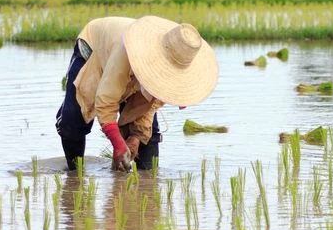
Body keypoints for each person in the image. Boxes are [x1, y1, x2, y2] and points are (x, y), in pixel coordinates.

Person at [55, 16, 219, 172]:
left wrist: (136, 138)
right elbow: (106, 101)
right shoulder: (125, 52)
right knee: (73, 121)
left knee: (147, 149)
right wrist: (118, 143)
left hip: (133, 66)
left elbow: (149, 103)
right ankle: (75, 176)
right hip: (96, 50)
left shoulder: (174, 64)